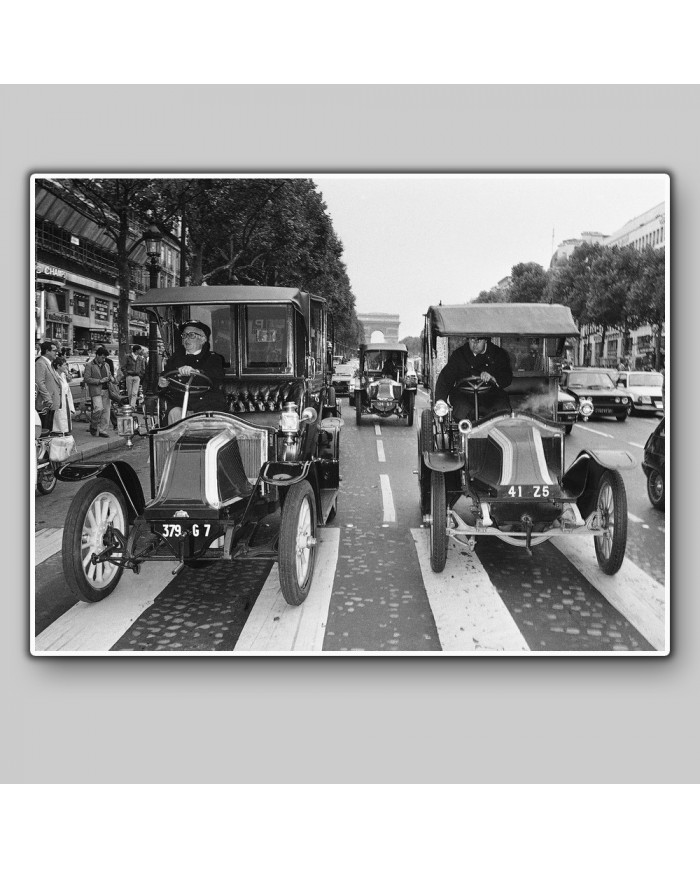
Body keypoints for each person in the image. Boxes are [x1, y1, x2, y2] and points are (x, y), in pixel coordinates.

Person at [158, 320, 227, 424]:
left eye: (191, 335)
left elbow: (217, 375)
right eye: (184, 335)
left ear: (203, 339)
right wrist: (161, 384)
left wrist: (196, 371)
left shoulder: (213, 358)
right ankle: (176, 439)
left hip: (206, 406)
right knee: (174, 413)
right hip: (180, 406)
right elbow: (164, 378)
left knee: (205, 419)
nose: (186, 339)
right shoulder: (175, 359)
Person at [435, 335, 513, 421]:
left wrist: (493, 378)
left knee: (502, 407)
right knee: (461, 408)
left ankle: (498, 431)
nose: (475, 344)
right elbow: (445, 378)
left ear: (486, 340)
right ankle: (464, 431)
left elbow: (507, 375)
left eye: (478, 340)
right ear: (468, 339)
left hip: (490, 395)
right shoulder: (459, 354)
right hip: (464, 395)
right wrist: (441, 401)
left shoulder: (498, 354)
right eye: (472, 339)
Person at [83, 345, 114, 437]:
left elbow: (110, 375)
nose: (104, 359)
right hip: (96, 390)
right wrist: (99, 381)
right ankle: (94, 425)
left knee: (106, 411)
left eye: (105, 358)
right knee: (98, 409)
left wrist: (111, 378)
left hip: (106, 390)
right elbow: (87, 379)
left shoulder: (107, 365)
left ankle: (103, 430)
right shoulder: (89, 365)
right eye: (102, 357)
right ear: (97, 355)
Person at [35, 340, 61, 434]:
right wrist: (48, 399)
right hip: (44, 404)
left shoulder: (48, 363)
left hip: (49, 403)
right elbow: (39, 382)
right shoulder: (41, 363)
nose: (56, 352)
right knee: (44, 431)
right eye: (54, 350)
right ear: (47, 351)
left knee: (48, 429)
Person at [51, 355, 75, 435]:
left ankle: (64, 432)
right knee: (59, 418)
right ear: (58, 366)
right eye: (64, 365)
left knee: (65, 418)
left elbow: (69, 382)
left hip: (65, 400)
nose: (66, 366)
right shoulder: (54, 376)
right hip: (58, 400)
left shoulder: (63, 375)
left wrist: (67, 373)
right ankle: (59, 432)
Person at [124, 345, 145, 409]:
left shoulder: (141, 358)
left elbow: (143, 368)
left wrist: (140, 375)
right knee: (130, 393)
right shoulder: (127, 356)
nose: (141, 351)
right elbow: (123, 366)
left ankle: (132, 406)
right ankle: (131, 405)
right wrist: (126, 374)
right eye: (140, 350)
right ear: (137, 350)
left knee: (134, 393)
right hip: (129, 376)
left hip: (137, 376)